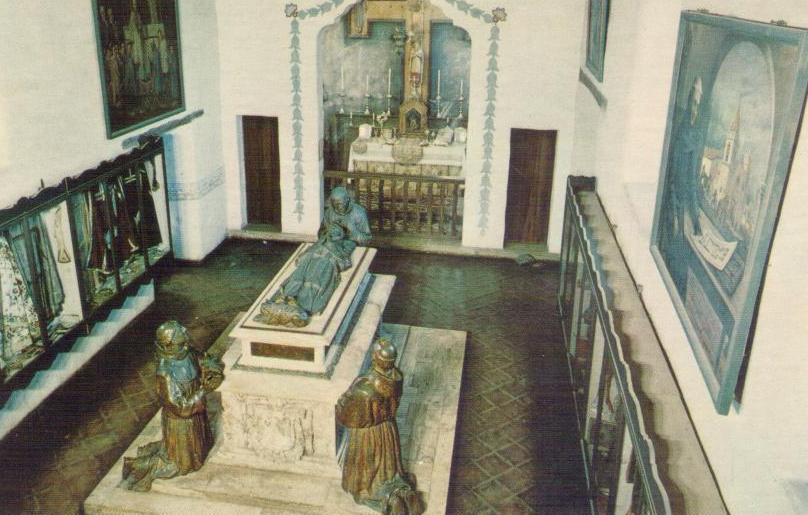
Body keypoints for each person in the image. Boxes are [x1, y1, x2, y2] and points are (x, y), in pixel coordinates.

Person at [120, 321, 223, 492]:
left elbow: (204, 360)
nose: (184, 330)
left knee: (198, 455)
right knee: (178, 464)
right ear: (169, 344)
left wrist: (213, 370)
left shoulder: (186, 352)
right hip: (181, 424)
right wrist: (203, 390)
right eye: (179, 332)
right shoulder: (165, 372)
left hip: (195, 416)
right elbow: (179, 407)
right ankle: (137, 466)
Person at [336, 338, 423, 514]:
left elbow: (345, 415)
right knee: (389, 466)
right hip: (389, 429)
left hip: (366, 436)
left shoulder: (364, 387)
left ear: (375, 358)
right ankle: (399, 492)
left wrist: (342, 403)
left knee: (368, 473)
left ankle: (384, 497)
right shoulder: (396, 378)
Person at [258, 223, 353, 327]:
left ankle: (302, 307)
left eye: (336, 229)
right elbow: (305, 254)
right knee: (297, 279)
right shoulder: (321, 241)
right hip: (309, 261)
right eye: (331, 229)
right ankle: (287, 300)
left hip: (326, 264)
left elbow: (345, 262)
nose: (332, 231)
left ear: (341, 233)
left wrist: (330, 248)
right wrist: (309, 254)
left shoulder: (347, 243)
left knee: (314, 282)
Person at [321, 186, 371, 251]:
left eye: (340, 203)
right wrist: (328, 233)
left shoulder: (359, 213)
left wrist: (352, 229)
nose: (337, 207)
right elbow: (321, 234)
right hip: (332, 248)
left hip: (352, 250)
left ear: (347, 199)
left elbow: (367, 240)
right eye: (335, 204)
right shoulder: (329, 212)